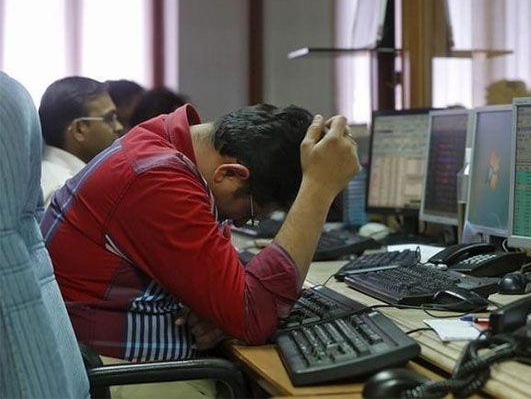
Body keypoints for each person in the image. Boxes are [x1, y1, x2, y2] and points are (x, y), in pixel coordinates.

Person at [41, 104, 359, 365]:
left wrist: (220, 307)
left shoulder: (163, 142)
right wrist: (318, 188)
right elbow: (252, 316)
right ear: (229, 174)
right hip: (119, 371)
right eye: (250, 214)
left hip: (103, 352)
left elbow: (234, 296)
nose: (242, 223)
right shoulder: (158, 179)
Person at [39, 76, 123, 205]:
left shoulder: (43, 175)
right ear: (79, 129)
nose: (119, 127)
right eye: (109, 118)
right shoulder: (68, 191)